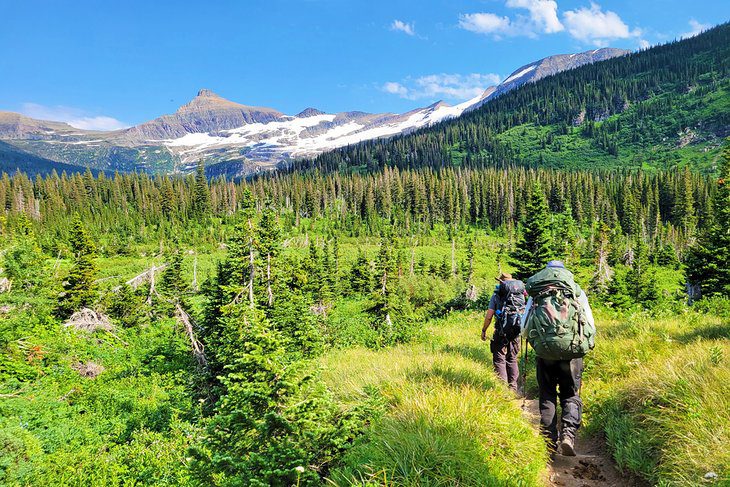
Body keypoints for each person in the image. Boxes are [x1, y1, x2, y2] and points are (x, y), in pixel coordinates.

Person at [521, 260, 596, 456]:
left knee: (547, 394)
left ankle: (549, 441)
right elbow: (590, 324)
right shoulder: (575, 291)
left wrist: (538, 342)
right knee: (570, 394)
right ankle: (568, 436)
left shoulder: (537, 293)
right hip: (572, 353)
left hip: (545, 353)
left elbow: (524, 327)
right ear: (565, 274)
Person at [481, 272, 526, 392]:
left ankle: (502, 388)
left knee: (499, 357)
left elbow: (489, 316)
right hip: (516, 330)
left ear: (501, 282)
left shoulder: (496, 295)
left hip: (501, 330)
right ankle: (513, 387)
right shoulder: (520, 294)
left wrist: (484, 330)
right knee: (512, 358)